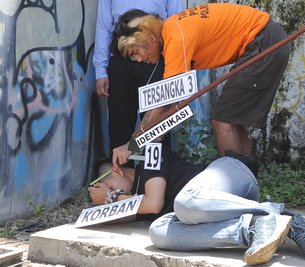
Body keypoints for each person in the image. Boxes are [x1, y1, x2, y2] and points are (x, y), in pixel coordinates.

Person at [88, 146, 305, 266]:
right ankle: (255, 227)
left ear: (115, 169)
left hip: (233, 174)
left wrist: (111, 198)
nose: (114, 193)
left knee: (184, 202)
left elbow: (153, 204)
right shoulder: (132, 199)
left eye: (109, 185)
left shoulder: (151, 158)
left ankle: (277, 212)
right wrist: (103, 205)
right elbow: (131, 213)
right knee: (158, 232)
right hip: (216, 209)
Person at [110, 3, 291, 158]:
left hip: (264, 41)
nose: (139, 60)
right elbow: (169, 106)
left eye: (135, 52)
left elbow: (168, 102)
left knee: (222, 121)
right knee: (231, 119)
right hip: (264, 38)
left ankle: (236, 191)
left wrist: (132, 144)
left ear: (148, 36)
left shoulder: (176, 36)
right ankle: (247, 184)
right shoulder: (173, 30)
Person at [93, 0, 183, 154]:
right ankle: (121, 173)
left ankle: (158, 173)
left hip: (153, 53)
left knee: (157, 122)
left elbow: (175, 19)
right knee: (119, 122)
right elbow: (103, 25)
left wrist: (170, 60)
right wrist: (100, 70)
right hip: (122, 54)